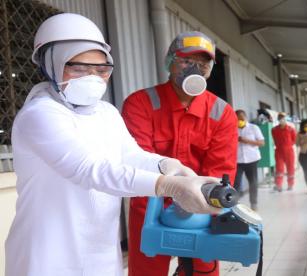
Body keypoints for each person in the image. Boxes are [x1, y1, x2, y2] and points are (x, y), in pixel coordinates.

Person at [5, 14, 220, 276]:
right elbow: (89, 169)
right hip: (49, 253)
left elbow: (128, 155)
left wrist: (166, 165)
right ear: (50, 64)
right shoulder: (39, 115)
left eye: (101, 70)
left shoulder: (105, 112)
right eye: (79, 68)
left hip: (101, 251)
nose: (93, 78)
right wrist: (168, 185)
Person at [122, 31, 238, 276]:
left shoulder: (222, 113)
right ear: (169, 61)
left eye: (203, 63)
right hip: (149, 205)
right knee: (147, 270)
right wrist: (171, 193)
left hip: (202, 205)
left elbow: (220, 170)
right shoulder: (141, 103)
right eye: (186, 61)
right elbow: (138, 162)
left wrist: (205, 201)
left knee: (204, 270)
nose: (195, 68)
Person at [234, 109, 265, 210]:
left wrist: (246, 140)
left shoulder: (253, 128)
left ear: (245, 118)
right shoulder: (232, 128)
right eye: (237, 119)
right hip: (237, 160)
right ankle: (234, 205)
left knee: (253, 182)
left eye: (241, 119)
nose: (240, 121)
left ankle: (254, 203)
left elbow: (261, 143)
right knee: (236, 183)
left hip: (252, 159)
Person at [271, 112, 297, 192]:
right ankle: (278, 185)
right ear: (278, 119)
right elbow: (274, 139)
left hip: (289, 151)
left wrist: (287, 146)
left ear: (286, 119)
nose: (282, 120)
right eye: (280, 118)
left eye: (283, 118)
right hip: (279, 151)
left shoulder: (291, 129)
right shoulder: (274, 130)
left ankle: (290, 185)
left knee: (290, 168)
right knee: (279, 169)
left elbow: (294, 140)